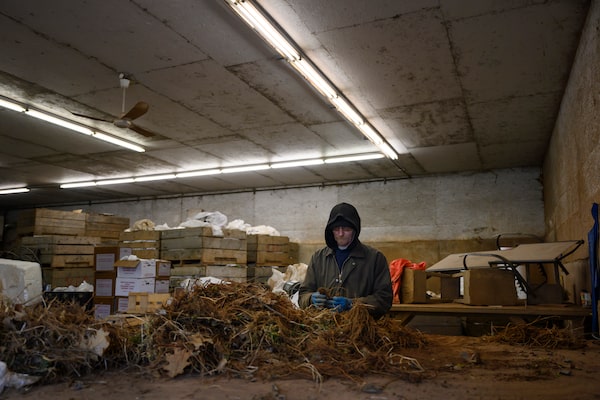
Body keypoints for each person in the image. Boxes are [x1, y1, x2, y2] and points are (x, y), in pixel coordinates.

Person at [298, 202, 393, 318]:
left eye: (346, 229)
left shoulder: (375, 259)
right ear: (330, 230)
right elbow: (303, 294)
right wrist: (310, 299)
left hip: (360, 325)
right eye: (336, 229)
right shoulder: (319, 258)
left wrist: (352, 304)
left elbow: (384, 299)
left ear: (355, 230)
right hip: (324, 324)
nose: (341, 234)